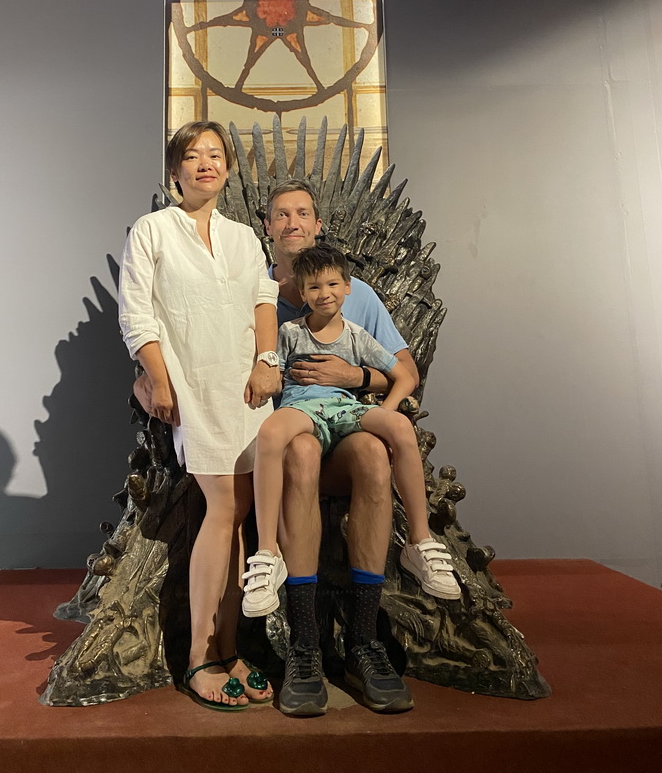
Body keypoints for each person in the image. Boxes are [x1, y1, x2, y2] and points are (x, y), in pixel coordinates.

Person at [118, 121, 281, 712]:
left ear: (228, 168)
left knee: (241, 517)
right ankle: (199, 657)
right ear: (175, 170)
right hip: (194, 384)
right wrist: (159, 379)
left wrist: (267, 363)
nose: (206, 163)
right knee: (225, 507)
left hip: (247, 390)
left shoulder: (242, 237)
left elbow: (264, 300)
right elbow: (137, 313)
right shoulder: (153, 230)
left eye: (216, 154)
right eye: (193, 155)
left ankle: (230, 646)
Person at [262, 179, 427, 716]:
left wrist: (355, 374)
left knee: (376, 458)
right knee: (302, 454)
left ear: (318, 225)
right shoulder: (258, 294)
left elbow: (402, 371)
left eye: (303, 213)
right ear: (267, 228)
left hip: (347, 421)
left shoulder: (355, 295)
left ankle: (363, 639)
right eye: (281, 215)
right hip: (292, 436)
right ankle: (305, 645)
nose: (292, 223)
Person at [242, 242, 459, 635]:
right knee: (271, 433)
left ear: (347, 287)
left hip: (346, 410)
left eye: (331, 285)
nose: (323, 294)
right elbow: (270, 367)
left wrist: (386, 411)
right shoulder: (289, 331)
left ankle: (420, 542)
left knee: (399, 430)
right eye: (313, 288)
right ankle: (268, 550)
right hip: (303, 409)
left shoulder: (357, 336)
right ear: (301, 293)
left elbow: (405, 375)